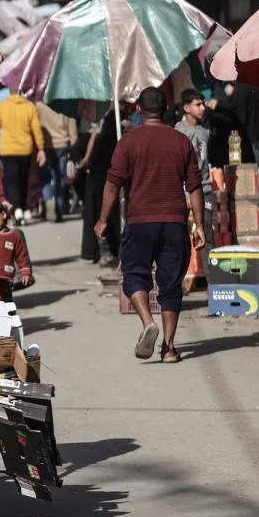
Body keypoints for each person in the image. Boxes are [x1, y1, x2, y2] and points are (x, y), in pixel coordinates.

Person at [96, 87, 205, 363]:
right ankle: (168, 347)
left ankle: (147, 322)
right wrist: (200, 225)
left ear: (138, 110)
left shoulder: (128, 142)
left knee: (134, 274)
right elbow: (194, 186)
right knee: (170, 284)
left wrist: (103, 220)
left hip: (139, 222)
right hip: (175, 223)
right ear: (167, 108)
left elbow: (113, 184)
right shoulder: (181, 141)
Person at [0, 91, 46, 225]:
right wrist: (41, 148)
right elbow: (36, 129)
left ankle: (17, 208)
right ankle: (23, 208)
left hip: (7, 148)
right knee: (23, 179)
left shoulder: (1, 106)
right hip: (25, 149)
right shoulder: (29, 107)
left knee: (11, 181)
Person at [175, 90, 215, 255]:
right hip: (186, 191)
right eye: (197, 104)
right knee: (181, 237)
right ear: (186, 107)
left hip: (205, 189)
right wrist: (186, 195)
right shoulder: (179, 131)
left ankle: (211, 278)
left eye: (203, 103)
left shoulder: (205, 129)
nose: (202, 108)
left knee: (207, 233)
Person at [79, 109, 120, 265]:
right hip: (104, 178)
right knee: (106, 214)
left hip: (105, 177)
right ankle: (106, 250)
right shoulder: (106, 127)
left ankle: (108, 250)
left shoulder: (107, 128)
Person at [36, 101, 78, 222]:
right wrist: (74, 146)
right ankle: (59, 207)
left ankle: (48, 199)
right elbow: (73, 127)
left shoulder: (39, 106)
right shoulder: (66, 104)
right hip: (63, 145)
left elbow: (35, 125)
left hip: (45, 147)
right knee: (60, 177)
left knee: (45, 177)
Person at [0, 203, 32, 302]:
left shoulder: (13, 236)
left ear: (4, 215)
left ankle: (10, 315)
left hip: (6, 276)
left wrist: (25, 272)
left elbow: (21, 255)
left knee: (7, 302)